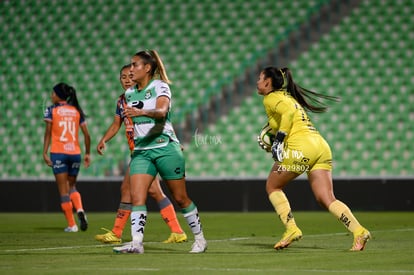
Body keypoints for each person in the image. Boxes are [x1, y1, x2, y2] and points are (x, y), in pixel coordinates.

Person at [256, 67, 371, 251]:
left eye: (260, 78)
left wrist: (278, 140)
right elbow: (290, 116)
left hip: (301, 148)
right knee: (326, 197)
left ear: (268, 82)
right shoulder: (287, 97)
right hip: (320, 146)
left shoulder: (271, 98)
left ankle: (291, 228)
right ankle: (359, 231)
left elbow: (288, 115)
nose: (257, 81)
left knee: (272, 186)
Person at [113, 50, 207, 254]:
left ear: (147, 68)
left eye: (135, 65)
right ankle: (136, 243)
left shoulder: (160, 86)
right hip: (142, 151)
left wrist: (141, 112)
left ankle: (200, 239)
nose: (131, 69)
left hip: (165, 148)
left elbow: (162, 112)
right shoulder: (129, 94)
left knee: (181, 198)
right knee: (137, 197)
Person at [95, 64, 187, 244]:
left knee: (143, 191)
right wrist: (104, 139)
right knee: (148, 192)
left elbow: (162, 119)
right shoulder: (122, 101)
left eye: (130, 76)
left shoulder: (148, 95)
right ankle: (176, 231)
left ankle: (117, 233)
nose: (127, 79)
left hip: (150, 150)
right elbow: (116, 125)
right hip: (138, 151)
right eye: (123, 77)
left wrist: (174, 140)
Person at [43, 83, 90, 232]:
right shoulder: (76, 111)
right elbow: (87, 135)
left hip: (59, 152)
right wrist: (87, 153)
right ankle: (80, 210)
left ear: (58, 95)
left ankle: (72, 224)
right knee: (72, 186)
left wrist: (44, 152)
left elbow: (48, 133)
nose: (51, 96)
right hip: (75, 153)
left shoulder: (52, 110)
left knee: (63, 191)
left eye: (53, 93)